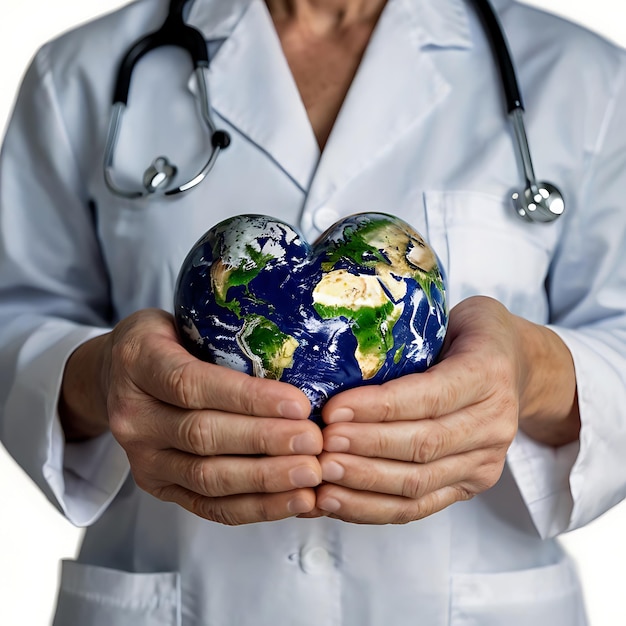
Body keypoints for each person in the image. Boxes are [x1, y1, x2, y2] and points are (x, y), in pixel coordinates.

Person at [1, 0, 625, 624]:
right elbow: (15, 316)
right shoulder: (77, 73)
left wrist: (531, 373)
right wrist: (99, 376)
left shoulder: (585, 81)